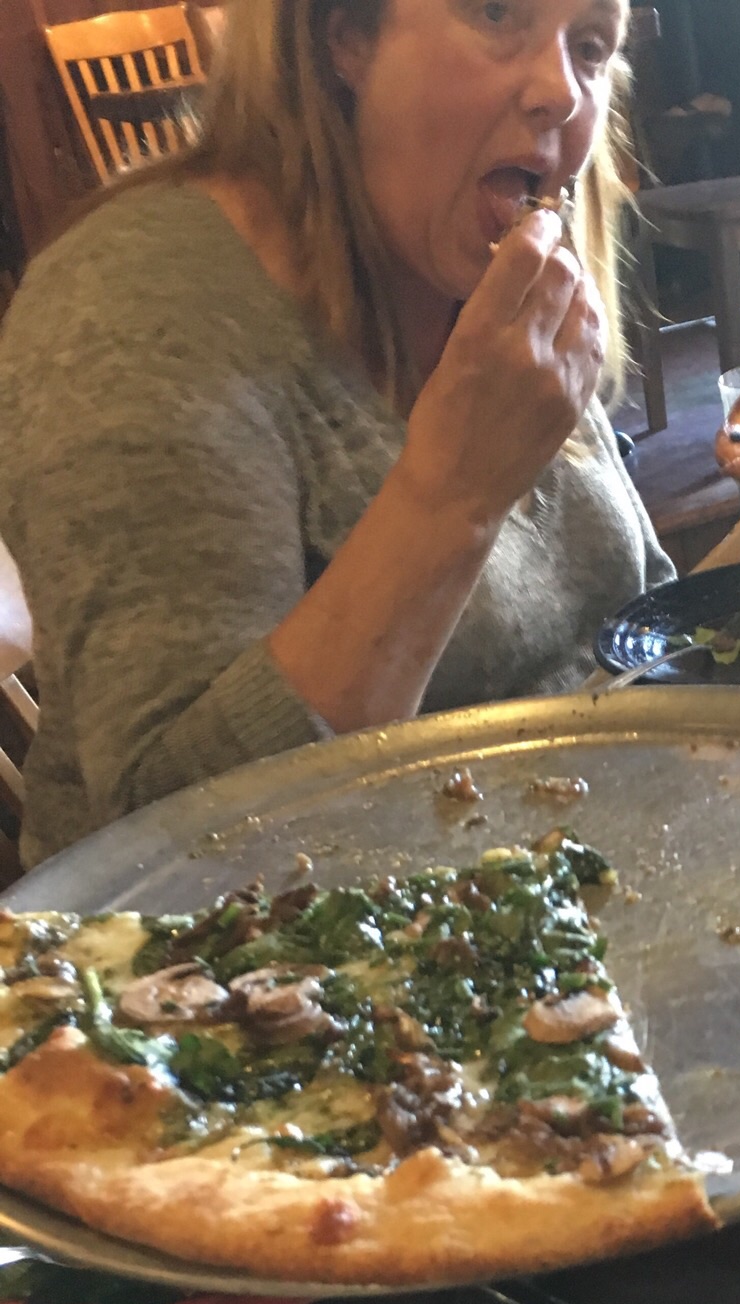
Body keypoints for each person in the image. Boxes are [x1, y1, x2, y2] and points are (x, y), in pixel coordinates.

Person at [0, 0, 669, 868]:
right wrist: (455, 494)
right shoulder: (128, 309)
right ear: (344, 34)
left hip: (620, 863)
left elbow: (644, 613)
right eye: (497, 11)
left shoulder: (488, 272)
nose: (561, 91)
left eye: (589, 46)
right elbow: (185, 851)